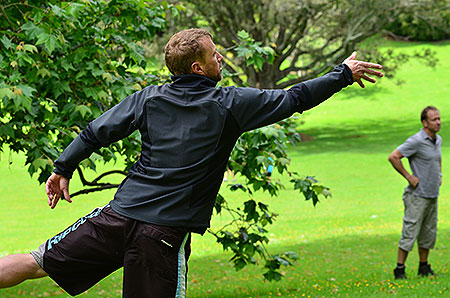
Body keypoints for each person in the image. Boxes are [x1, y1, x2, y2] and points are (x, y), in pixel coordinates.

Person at [0, 28, 383, 297]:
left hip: (117, 217)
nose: (220, 56)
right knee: (36, 262)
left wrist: (62, 168)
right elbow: (294, 98)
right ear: (199, 68)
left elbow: (96, 132)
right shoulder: (230, 104)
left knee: (36, 262)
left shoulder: (148, 98)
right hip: (161, 235)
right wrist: (343, 74)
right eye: (213, 53)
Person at [388, 106, 442, 279]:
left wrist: (439, 174)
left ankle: (424, 267)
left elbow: (437, 159)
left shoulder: (438, 140)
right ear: (425, 123)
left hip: (432, 194)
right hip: (417, 196)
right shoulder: (416, 140)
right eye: (434, 120)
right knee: (410, 232)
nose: (439, 122)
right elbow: (393, 157)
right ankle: (399, 269)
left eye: (439, 118)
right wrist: (409, 177)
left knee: (428, 233)